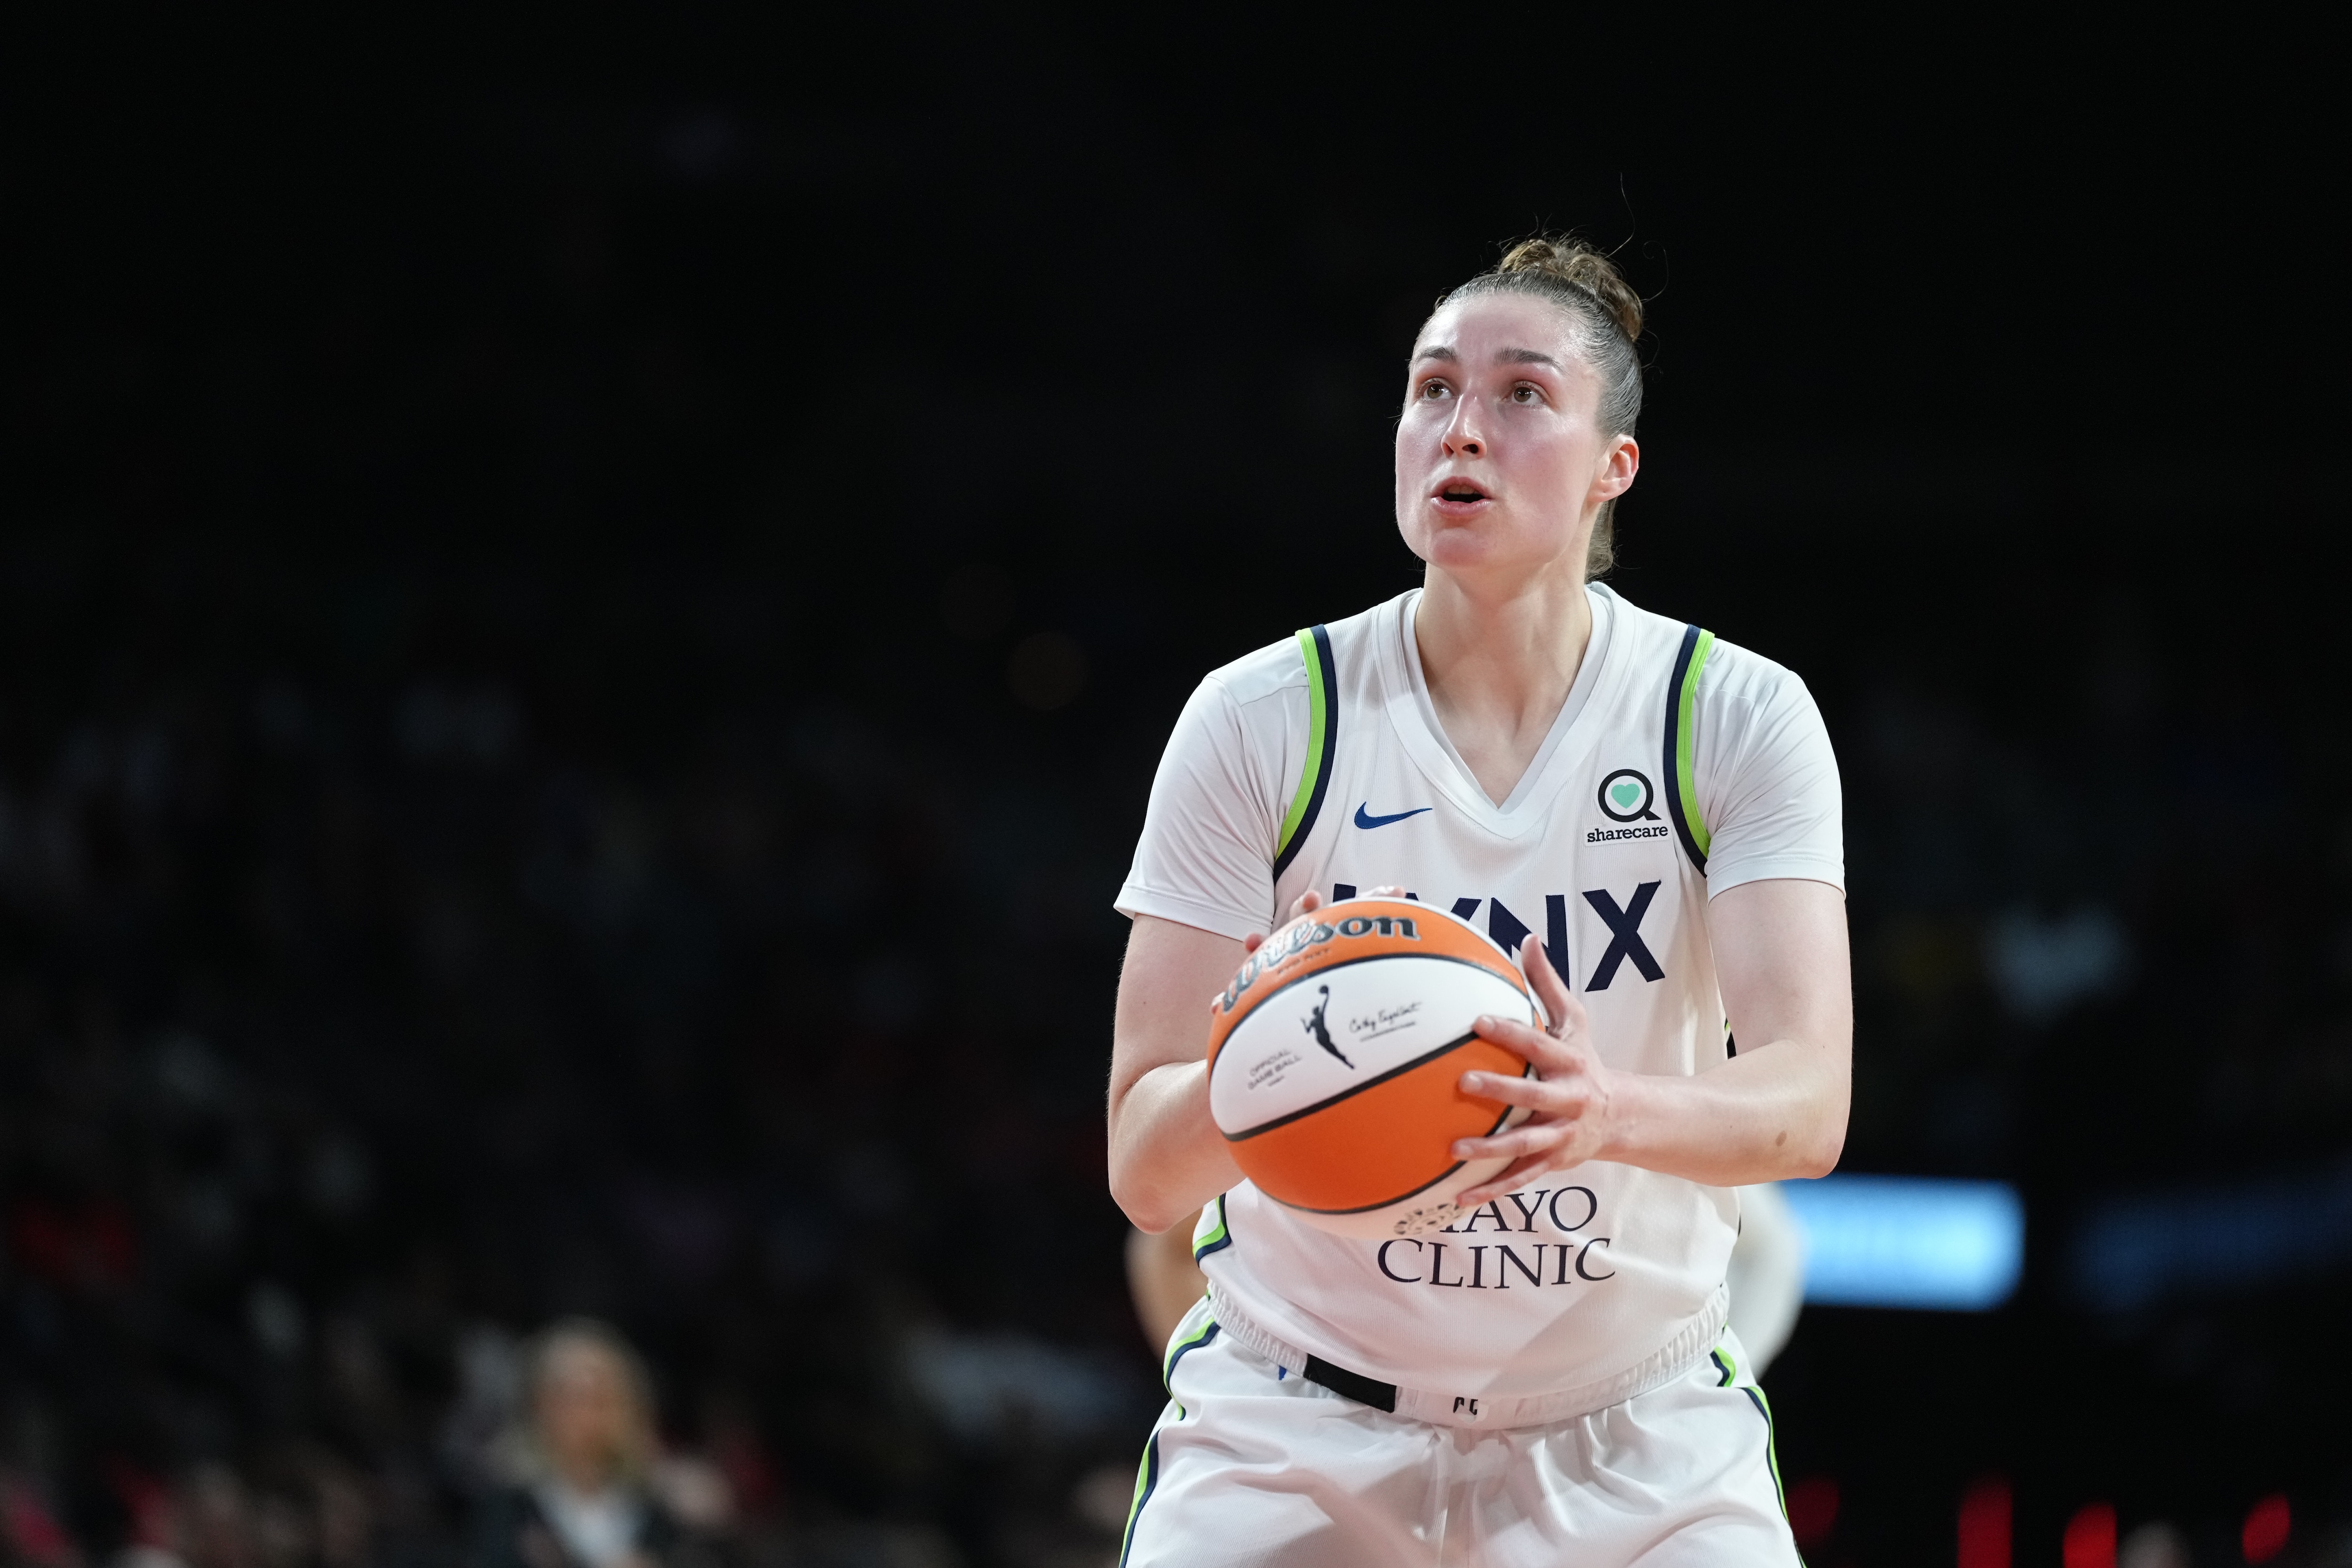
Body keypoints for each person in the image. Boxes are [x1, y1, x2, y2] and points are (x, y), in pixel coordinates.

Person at [1106, 237, 1850, 1565]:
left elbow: (1805, 1106)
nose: (1463, 425)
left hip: (1638, 1438)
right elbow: (1145, 1165)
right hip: (1296, 1420)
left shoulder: (1731, 714)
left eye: (1521, 394)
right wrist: (1300, 1064)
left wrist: (1599, 1109)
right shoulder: (1261, 718)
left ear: (1614, 465)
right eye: (1432, 387)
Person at [470, 1321, 726, 1568]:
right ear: (536, 1407)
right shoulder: (506, 1512)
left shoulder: (662, 1511)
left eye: (598, 1400)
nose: (581, 1416)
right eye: (565, 1399)